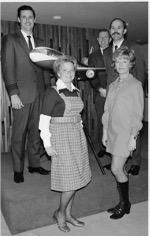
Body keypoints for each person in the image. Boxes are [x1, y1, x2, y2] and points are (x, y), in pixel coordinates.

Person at [39, 55, 92, 232]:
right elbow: (43, 121)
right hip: (60, 137)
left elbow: (77, 116)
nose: (68, 73)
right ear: (58, 72)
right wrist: (47, 144)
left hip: (76, 136)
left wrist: (81, 130)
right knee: (69, 180)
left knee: (75, 177)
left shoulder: (76, 91)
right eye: (64, 70)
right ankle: (60, 213)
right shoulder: (51, 92)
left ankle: (68, 214)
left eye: (71, 70)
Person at [1, 5, 50, 183]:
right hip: (21, 95)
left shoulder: (41, 41)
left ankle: (34, 164)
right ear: (18, 20)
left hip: (40, 94)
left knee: (36, 131)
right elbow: (7, 68)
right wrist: (13, 94)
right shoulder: (10, 39)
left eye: (31, 17)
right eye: (24, 17)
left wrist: (48, 91)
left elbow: (45, 68)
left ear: (35, 20)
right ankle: (17, 169)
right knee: (19, 134)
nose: (28, 20)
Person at [102, 46, 144, 219]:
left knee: (116, 168)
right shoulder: (112, 85)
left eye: (124, 61)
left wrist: (133, 137)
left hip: (126, 133)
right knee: (119, 169)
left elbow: (138, 114)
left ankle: (125, 203)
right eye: (118, 61)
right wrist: (104, 132)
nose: (120, 64)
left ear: (131, 64)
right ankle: (124, 203)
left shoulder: (136, 85)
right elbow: (107, 111)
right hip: (112, 131)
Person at [103, 18, 145, 175]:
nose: (115, 30)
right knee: (112, 128)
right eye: (112, 28)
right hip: (112, 92)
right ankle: (116, 159)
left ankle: (135, 161)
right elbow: (107, 74)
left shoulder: (134, 48)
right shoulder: (107, 51)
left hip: (129, 94)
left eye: (119, 27)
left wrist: (133, 92)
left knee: (131, 129)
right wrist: (104, 89)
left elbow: (140, 73)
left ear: (124, 30)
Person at [88, 29, 111, 158]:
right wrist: (100, 90)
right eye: (100, 38)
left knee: (115, 121)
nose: (103, 40)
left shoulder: (116, 53)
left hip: (116, 94)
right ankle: (104, 146)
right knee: (102, 121)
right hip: (100, 94)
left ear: (110, 39)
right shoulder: (93, 56)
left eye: (105, 37)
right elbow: (91, 75)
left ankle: (114, 147)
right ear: (97, 40)